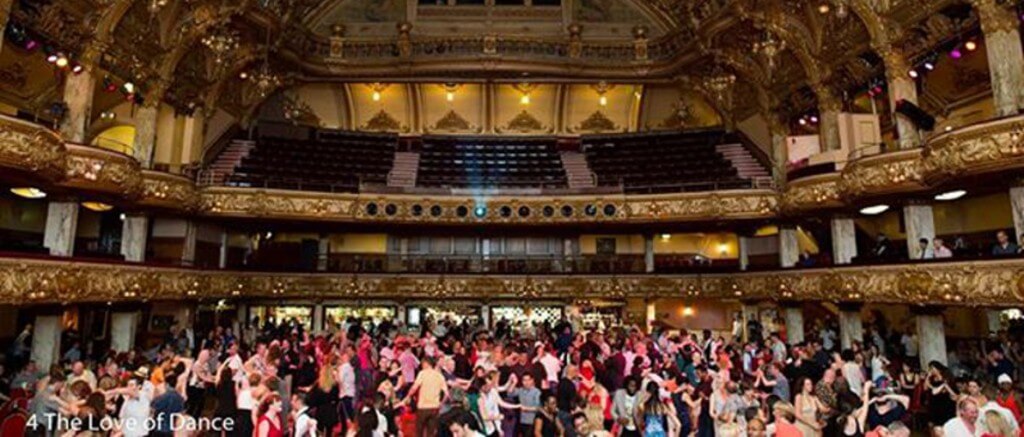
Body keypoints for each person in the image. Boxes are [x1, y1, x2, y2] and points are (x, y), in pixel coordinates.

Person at [400, 355, 449, 437]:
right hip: (435, 407)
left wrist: (407, 396)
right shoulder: (439, 376)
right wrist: (441, 404)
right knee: (431, 433)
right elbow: (447, 394)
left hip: (423, 407)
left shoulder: (422, 373)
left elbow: (414, 388)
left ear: (426, 363)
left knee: (419, 432)